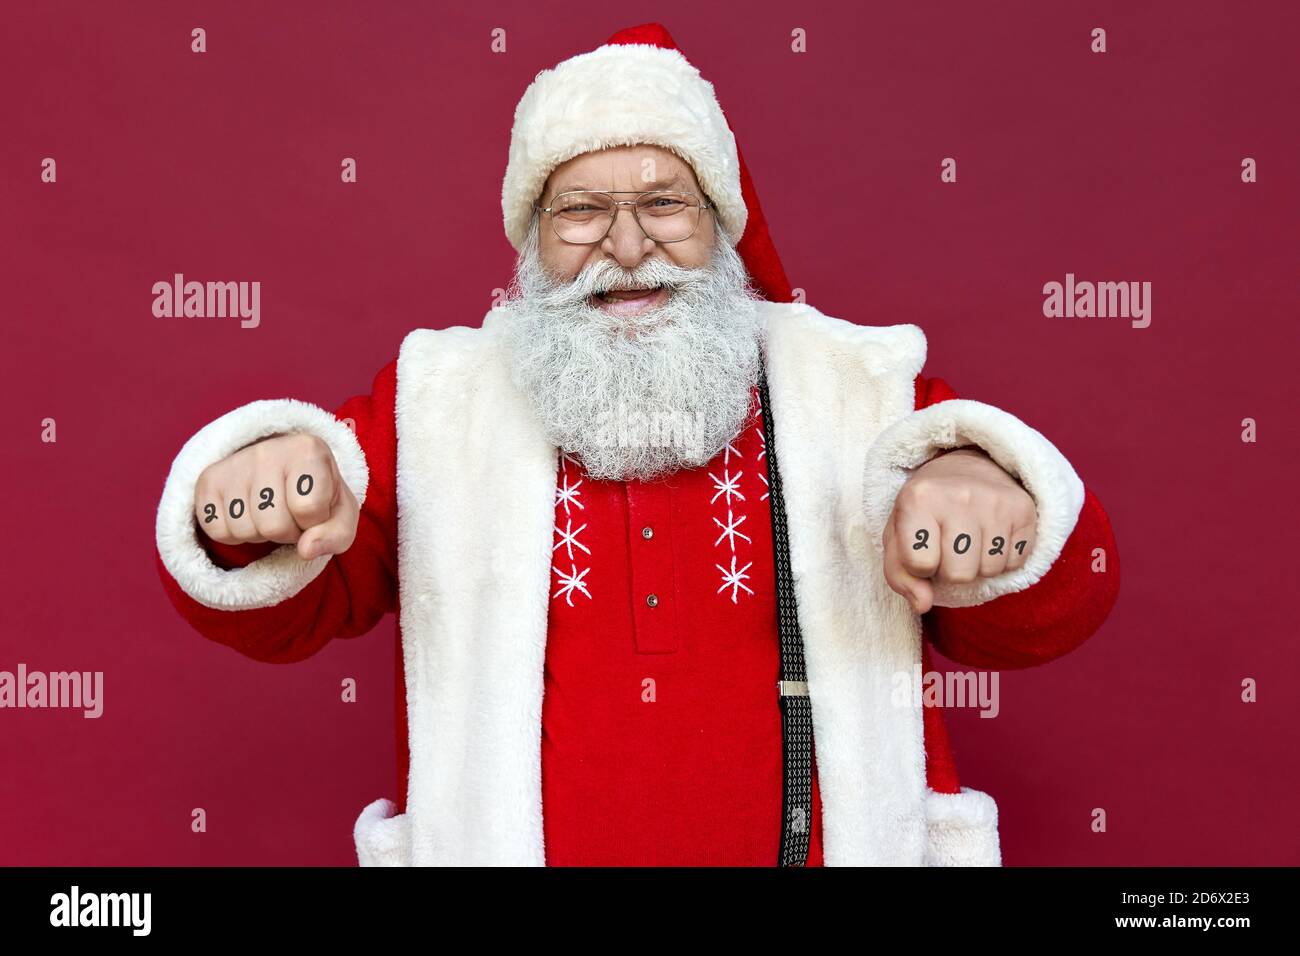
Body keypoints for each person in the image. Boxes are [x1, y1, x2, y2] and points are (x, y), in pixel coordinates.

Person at [154, 22, 1120, 866]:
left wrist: (986, 493)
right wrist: (248, 504)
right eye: (580, 211)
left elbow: (1054, 609)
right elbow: (296, 599)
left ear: (723, 224)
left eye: (664, 203)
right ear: (530, 239)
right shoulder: (436, 401)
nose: (625, 248)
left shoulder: (860, 389)